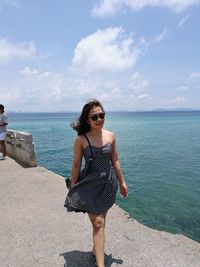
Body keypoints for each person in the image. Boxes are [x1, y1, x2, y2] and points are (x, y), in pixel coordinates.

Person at [64, 99, 128, 267]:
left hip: (108, 182)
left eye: (102, 115)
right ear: (87, 120)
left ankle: (96, 250)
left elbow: (115, 160)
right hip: (90, 183)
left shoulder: (111, 136)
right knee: (98, 222)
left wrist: (122, 182)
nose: (99, 119)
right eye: (95, 117)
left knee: (101, 221)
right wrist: (74, 186)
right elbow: (76, 164)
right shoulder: (81, 139)